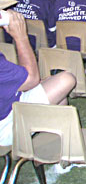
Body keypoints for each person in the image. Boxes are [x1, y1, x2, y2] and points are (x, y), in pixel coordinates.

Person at [0, 8, 76, 146]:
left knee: (54, 88)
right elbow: (31, 79)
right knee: (66, 80)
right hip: (5, 125)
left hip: (6, 105)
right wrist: (21, 36)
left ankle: (57, 146)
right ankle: (62, 150)